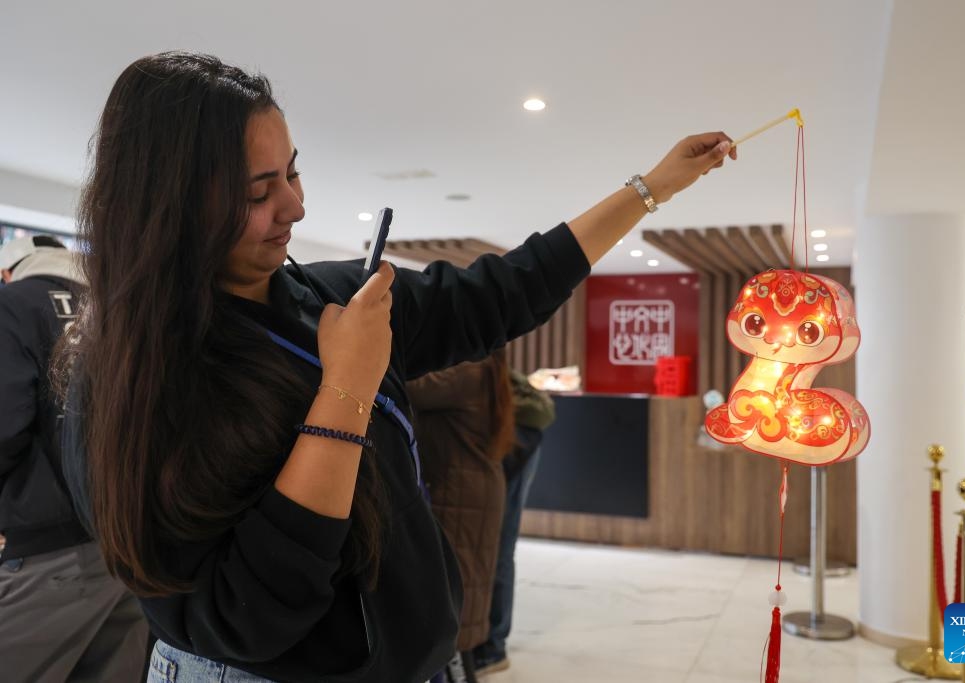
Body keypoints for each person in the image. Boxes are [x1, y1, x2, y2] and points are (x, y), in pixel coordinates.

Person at [59, 51, 736, 683]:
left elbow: (505, 290)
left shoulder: (327, 295)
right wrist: (346, 387)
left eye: (292, 172)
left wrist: (653, 187)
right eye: (259, 190)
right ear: (170, 207)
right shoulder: (126, 384)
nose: (296, 206)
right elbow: (247, 611)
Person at [0, 235, 148, 682]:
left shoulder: (15, 305)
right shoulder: (117, 308)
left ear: (9, 271)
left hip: (46, 552)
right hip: (127, 550)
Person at [407, 350, 517, 683]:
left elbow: (411, 387)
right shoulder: (479, 363)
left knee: (458, 599)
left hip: (461, 493)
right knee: (462, 593)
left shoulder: (466, 367)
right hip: (468, 487)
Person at [473, 369, 556, 676]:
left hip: (513, 439)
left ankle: (493, 646)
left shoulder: (466, 356)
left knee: (498, 547)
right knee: (497, 546)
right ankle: (490, 642)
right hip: (514, 436)